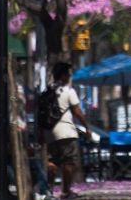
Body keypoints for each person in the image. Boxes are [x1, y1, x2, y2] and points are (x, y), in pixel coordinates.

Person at [42, 62, 91, 200]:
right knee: (69, 162)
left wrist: (41, 133)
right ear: (63, 75)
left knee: (52, 161)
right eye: (68, 73)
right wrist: (87, 126)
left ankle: (49, 191)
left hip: (50, 133)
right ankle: (65, 192)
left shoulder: (47, 92)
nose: (70, 76)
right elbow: (77, 111)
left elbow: (41, 114)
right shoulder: (68, 91)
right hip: (66, 132)